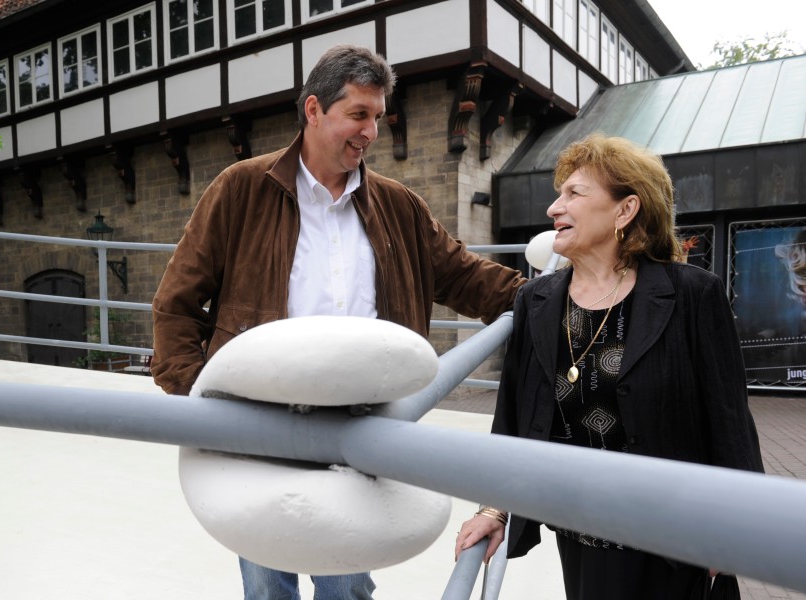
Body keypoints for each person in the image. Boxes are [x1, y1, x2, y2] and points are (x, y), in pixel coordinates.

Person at [151, 44, 526, 600]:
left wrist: (550, 297)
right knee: (265, 577)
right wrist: (203, 400)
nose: (370, 131)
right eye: (358, 115)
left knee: (346, 582)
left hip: (360, 426)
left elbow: (467, 278)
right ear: (313, 111)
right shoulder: (240, 189)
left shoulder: (400, 207)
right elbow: (176, 304)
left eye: (378, 117)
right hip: (257, 422)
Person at [455, 134, 764, 600]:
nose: (554, 209)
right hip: (581, 537)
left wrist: (733, 528)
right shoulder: (536, 301)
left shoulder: (692, 294)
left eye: (574, 194)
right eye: (559, 194)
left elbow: (730, 425)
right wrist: (496, 510)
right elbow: (514, 420)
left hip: (677, 542)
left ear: (626, 210)